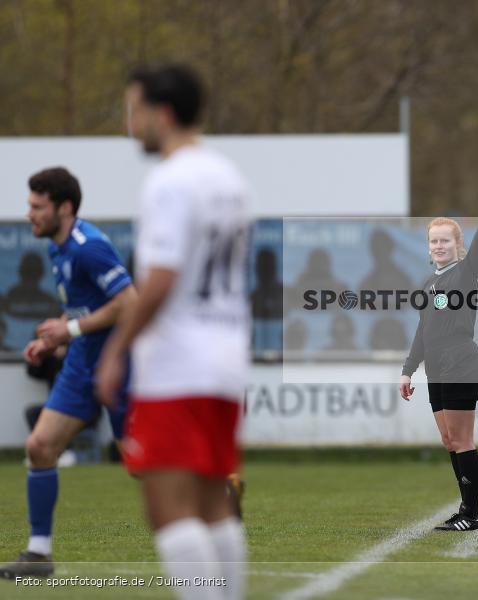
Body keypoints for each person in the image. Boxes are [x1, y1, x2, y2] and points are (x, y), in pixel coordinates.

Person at [96, 64, 250, 600]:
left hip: (177, 366)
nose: (128, 124)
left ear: (161, 115)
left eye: (132, 110)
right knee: (213, 507)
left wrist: (117, 349)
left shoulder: (168, 180)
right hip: (226, 361)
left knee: (168, 509)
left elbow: (161, 278)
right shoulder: (229, 178)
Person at [0, 167, 135, 578]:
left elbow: (128, 302)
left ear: (65, 207)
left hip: (120, 363)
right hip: (80, 364)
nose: (30, 214)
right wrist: (54, 339)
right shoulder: (57, 249)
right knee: (40, 446)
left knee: (143, 465)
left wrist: (70, 329)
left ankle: (218, 490)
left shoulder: (88, 247)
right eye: (29, 205)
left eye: (37, 206)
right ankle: (39, 554)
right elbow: (81, 304)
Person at [399, 178, 478, 532]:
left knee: (462, 440)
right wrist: (407, 371)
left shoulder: (464, 273)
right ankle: (465, 508)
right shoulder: (428, 283)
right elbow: (423, 331)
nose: (438, 246)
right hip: (436, 369)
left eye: (445, 240)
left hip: (462, 364)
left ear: (457, 244)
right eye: (434, 241)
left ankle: (473, 515)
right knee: (449, 441)